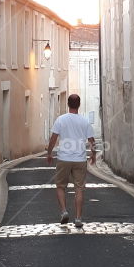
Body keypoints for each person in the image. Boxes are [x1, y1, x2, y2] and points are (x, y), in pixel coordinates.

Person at [46, 94, 97, 228]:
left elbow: (53, 138)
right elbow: (92, 140)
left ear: (68, 104)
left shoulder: (61, 120)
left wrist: (49, 153)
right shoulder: (85, 121)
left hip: (64, 158)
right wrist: (93, 154)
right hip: (80, 159)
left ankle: (64, 211)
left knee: (60, 186)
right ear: (79, 105)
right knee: (79, 189)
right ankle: (78, 218)